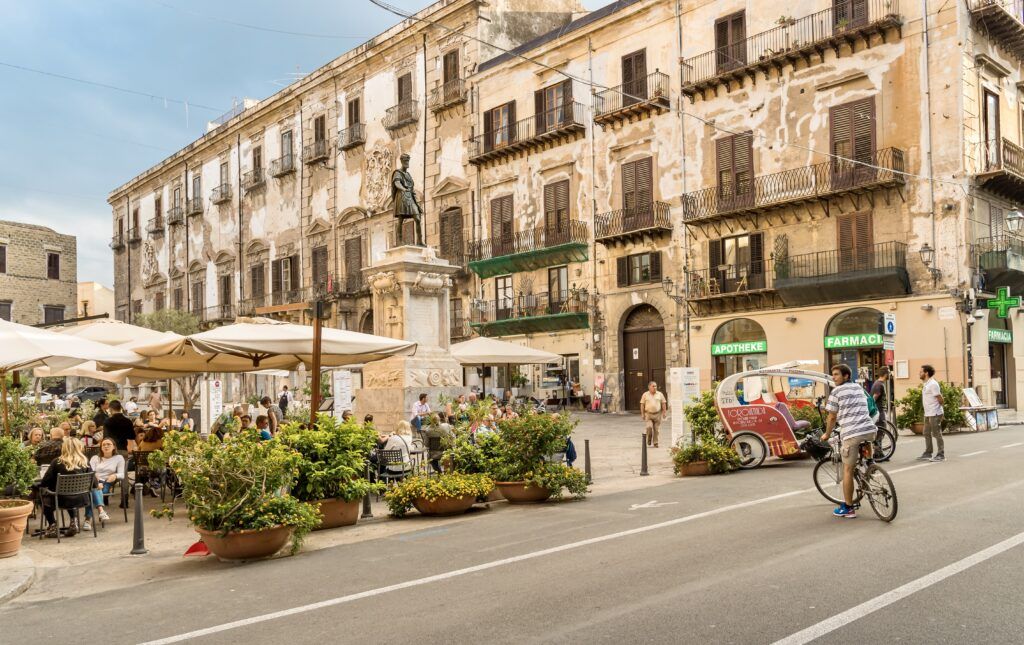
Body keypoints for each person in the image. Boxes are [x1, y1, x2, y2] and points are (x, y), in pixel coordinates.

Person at [821, 363, 881, 519]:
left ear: (846, 376)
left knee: (847, 470)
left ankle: (848, 507)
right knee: (865, 440)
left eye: (836, 375)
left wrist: (827, 434)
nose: (833, 377)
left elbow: (832, 416)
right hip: (870, 429)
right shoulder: (858, 388)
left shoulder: (836, 392)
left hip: (852, 434)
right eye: (833, 374)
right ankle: (869, 463)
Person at [38, 437, 92, 538]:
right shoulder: (85, 462)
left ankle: (52, 525)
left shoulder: (57, 462)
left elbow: (45, 482)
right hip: (82, 498)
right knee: (69, 496)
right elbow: (94, 484)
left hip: (60, 499)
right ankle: (73, 522)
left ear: (64, 448)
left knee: (42, 496)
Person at [84, 438, 124, 530]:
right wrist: (96, 480)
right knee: (94, 489)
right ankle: (101, 511)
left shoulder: (119, 458)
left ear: (114, 447)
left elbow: (122, 474)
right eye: (104, 445)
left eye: (108, 444)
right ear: (101, 447)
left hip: (106, 482)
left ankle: (88, 520)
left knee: (91, 493)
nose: (106, 446)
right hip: (93, 482)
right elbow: (90, 472)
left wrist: (115, 475)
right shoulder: (95, 458)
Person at [919, 364, 945, 462]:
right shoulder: (926, 384)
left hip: (935, 413)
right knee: (926, 432)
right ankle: (928, 452)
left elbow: (940, 399)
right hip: (928, 413)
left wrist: (941, 412)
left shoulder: (933, 384)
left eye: (921, 372)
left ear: (926, 373)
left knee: (936, 433)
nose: (919, 373)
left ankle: (941, 454)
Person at [640, 381, 668, 448]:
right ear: (649, 387)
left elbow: (663, 403)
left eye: (656, 386)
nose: (655, 387)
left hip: (657, 414)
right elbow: (642, 404)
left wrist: (664, 412)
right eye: (653, 386)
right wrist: (642, 414)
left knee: (656, 429)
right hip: (648, 414)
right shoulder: (645, 394)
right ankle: (649, 440)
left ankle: (656, 443)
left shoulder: (660, 394)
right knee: (649, 427)